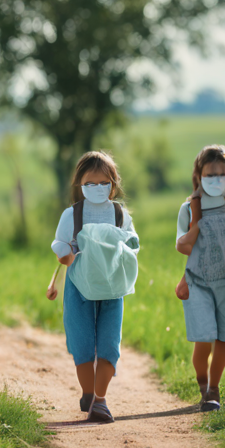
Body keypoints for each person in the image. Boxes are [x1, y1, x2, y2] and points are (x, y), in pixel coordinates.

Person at [50, 150, 138, 423]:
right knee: (82, 345)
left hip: (112, 288)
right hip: (79, 286)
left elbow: (133, 241)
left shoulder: (119, 213)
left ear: (113, 183)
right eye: (91, 183)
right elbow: (61, 246)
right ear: (80, 184)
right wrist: (65, 254)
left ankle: (100, 400)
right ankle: (89, 392)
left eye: (104, 183)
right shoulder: (72, 214)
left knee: (110, 345)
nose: (98, 188)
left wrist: (129, 245)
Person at [175, 145, 225, 412]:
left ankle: (213, 389)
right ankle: (202, 381)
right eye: (210, 174)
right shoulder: (188, 209)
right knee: (204, 338)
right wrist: (196, 222)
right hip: (197, 281)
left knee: (223, 338)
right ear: (198, 176)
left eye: (221, 174)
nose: (216, 179)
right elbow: (184, 246)